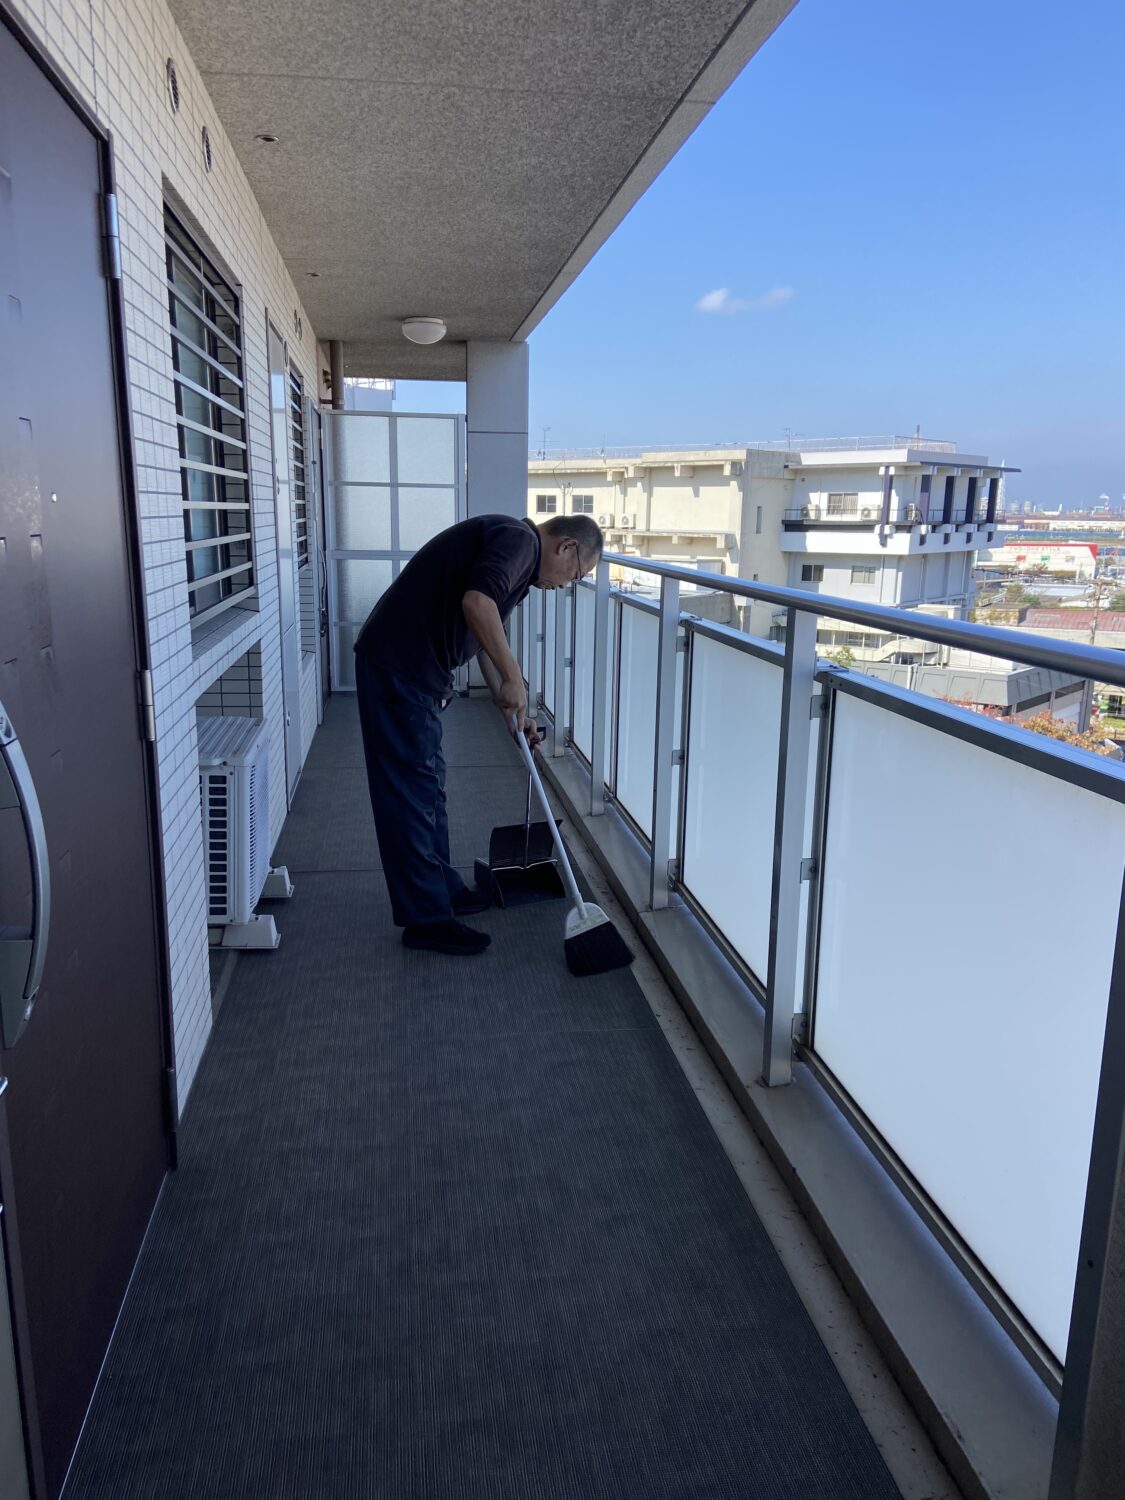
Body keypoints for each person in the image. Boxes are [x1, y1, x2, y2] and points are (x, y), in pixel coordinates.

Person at [353, 512, 604, 956]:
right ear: (567, 546)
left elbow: (486, 634)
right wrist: (513, 675)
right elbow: (477, 604)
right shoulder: (518, 541)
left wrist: (510, 705)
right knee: (410, 796)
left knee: (429, 790)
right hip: (399, 670)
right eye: (577, 574)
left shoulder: (517, 554)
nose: (567, 584)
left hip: (415, 672)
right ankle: (426, 919)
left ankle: (442, 888)